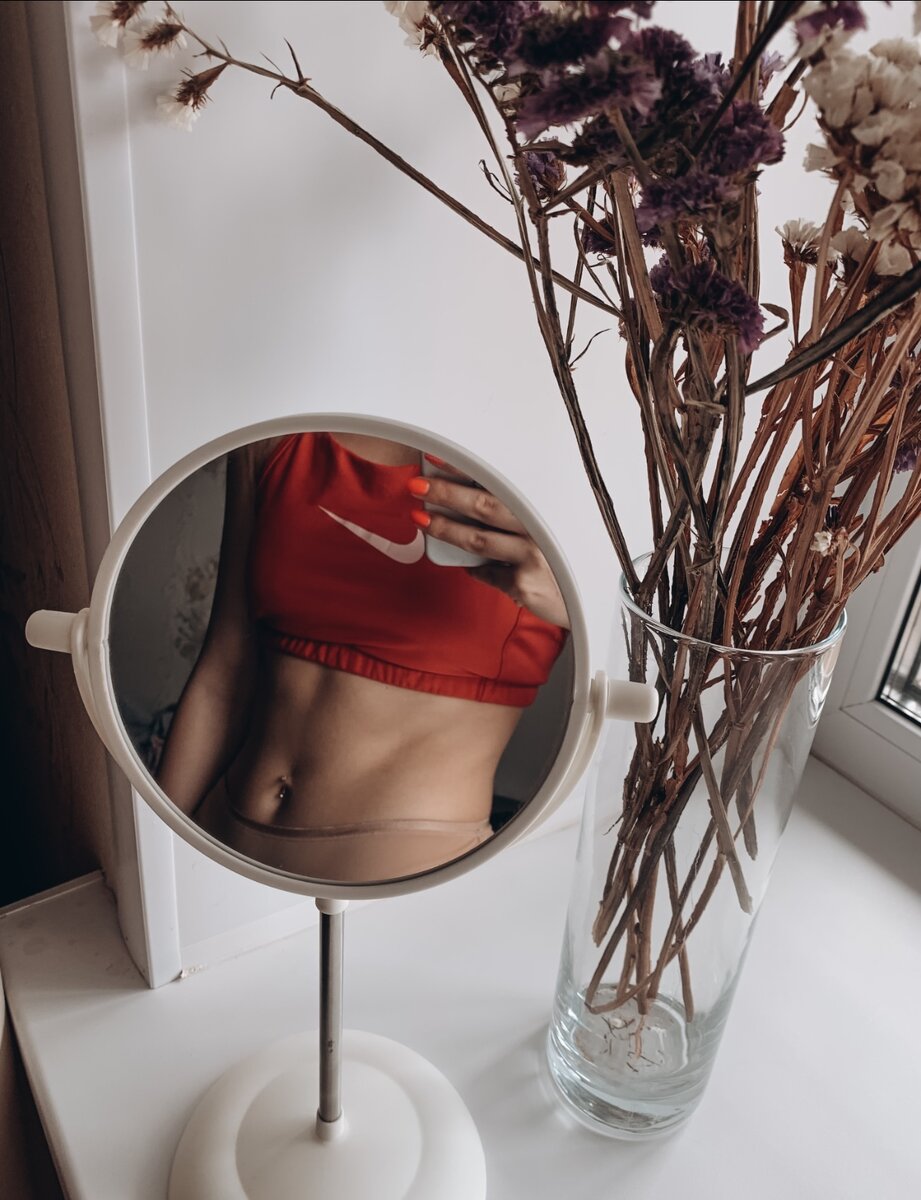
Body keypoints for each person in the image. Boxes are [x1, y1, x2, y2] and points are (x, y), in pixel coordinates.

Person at [155, 431, 569, 881]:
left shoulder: (568, 461)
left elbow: (625, 707)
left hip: (406, 881)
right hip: (218, 839)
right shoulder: (280, 433)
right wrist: (160, 856)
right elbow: (225, 670)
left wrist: (576, 600)